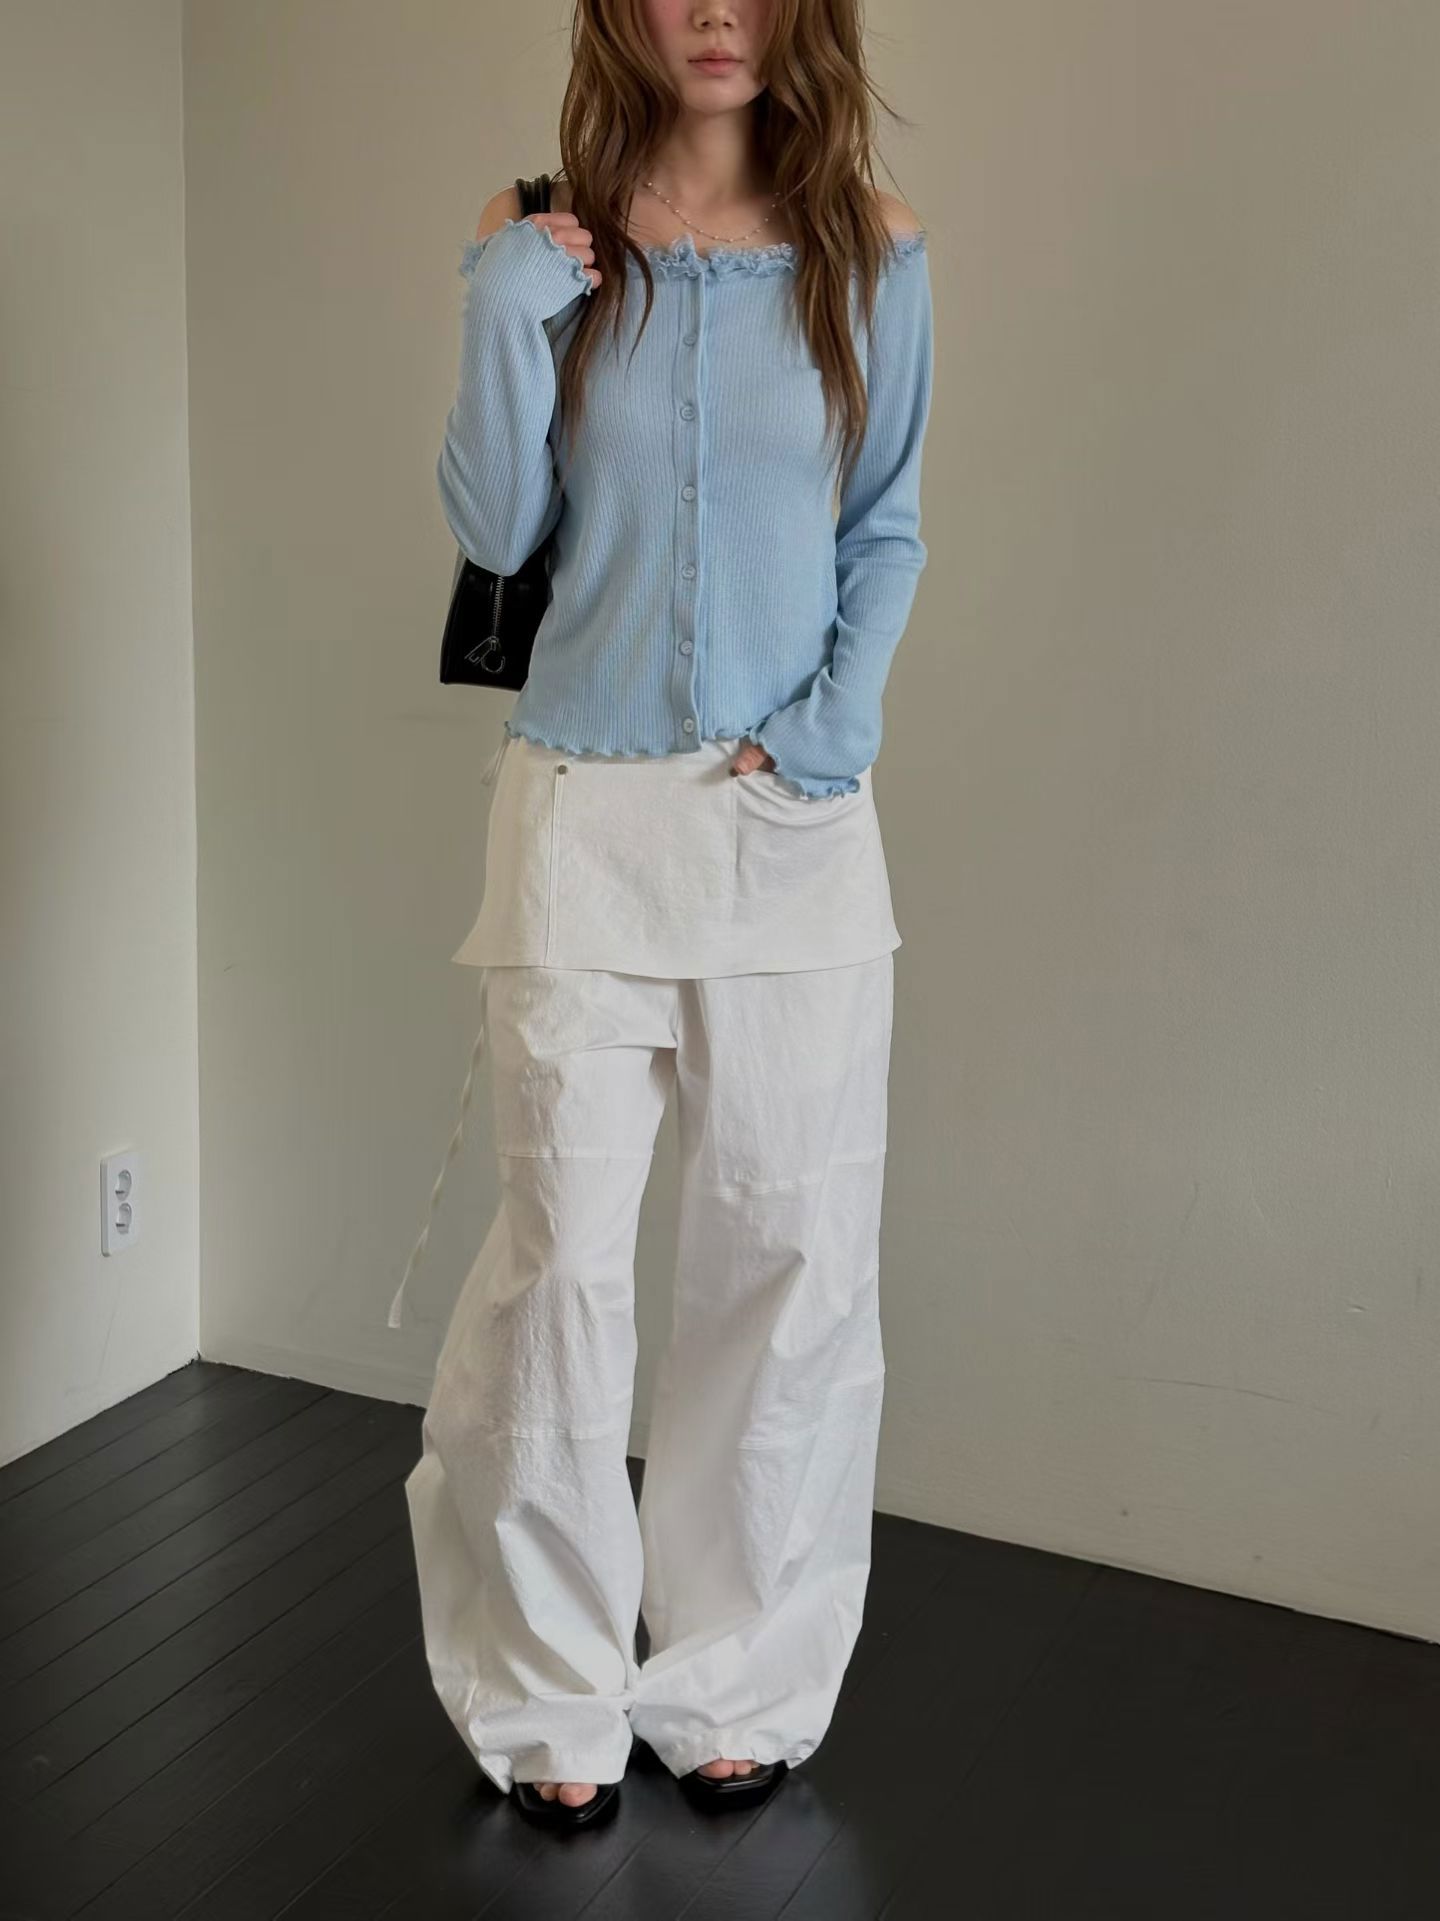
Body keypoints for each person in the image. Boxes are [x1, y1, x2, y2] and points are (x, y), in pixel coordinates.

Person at [393, 0, 935, 1831]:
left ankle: (736, 1671)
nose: (717, 10)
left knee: (785, 1256)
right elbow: (498, 523)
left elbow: (886, 523)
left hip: (792, 824)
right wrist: (499, 309)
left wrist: (833, 734)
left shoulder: (871, 247)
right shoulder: (544, 231)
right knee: (563, 1267)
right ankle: (550, 1682)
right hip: (583, 819)